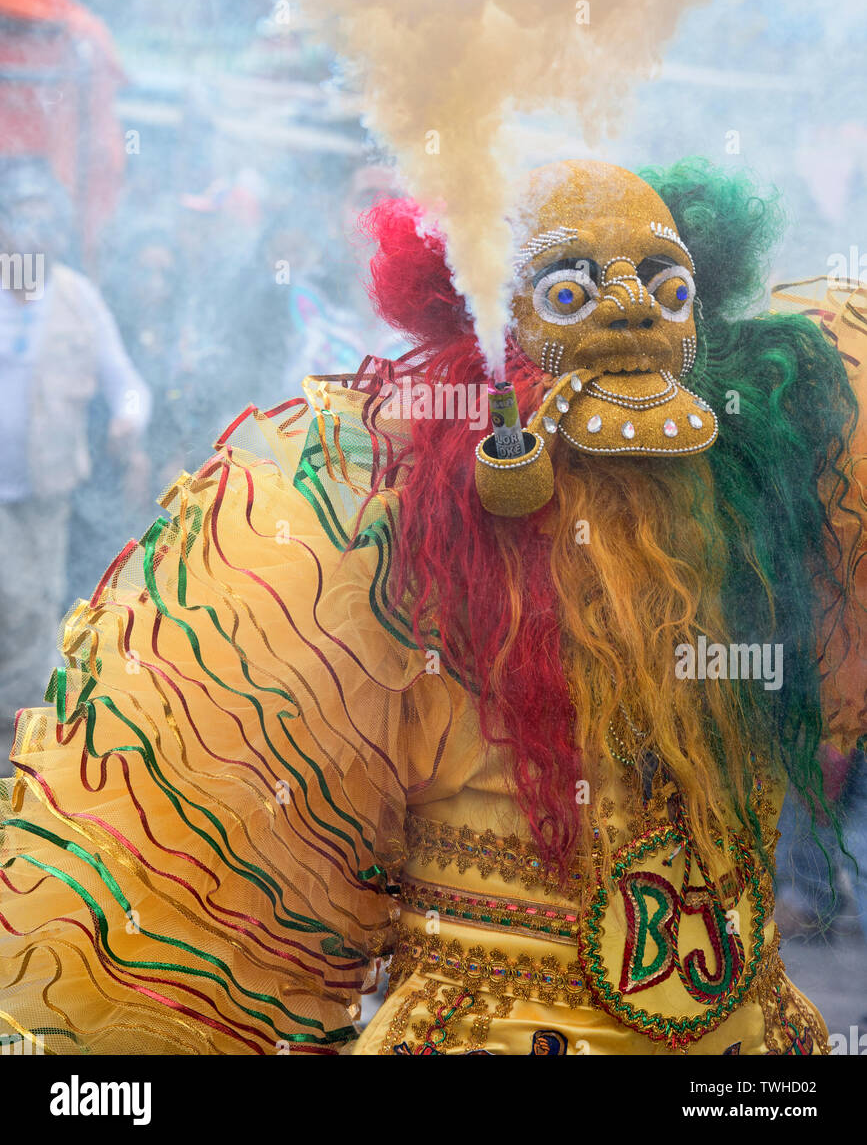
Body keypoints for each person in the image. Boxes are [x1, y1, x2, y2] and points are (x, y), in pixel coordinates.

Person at [0, 158, 864, 1056]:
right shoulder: (380, 549)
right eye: (570, 295)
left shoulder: (773, 517)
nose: (634, 313)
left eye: (668, 288)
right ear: (490, 341)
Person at [0, 156, 151, 757]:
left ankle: (17, 747)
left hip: (45, 496)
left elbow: (128, 381)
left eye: (47, 220)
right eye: (21, 216)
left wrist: (127, 417)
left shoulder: (77, 297)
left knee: (31, 609)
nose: (35, 232)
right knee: (18, 607)